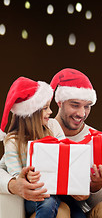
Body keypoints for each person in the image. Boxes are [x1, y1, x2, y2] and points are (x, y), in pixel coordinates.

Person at [49, 68, 102, 218]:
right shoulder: (41, 130)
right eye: (75, 105)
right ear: (59, 102)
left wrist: (96, 186)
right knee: (61, 212)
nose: (81, 113)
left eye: (87, 106)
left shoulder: (96, 140)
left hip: (82, 210)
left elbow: (96, 202)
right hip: (50, 207)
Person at [1, 77, 70, 217]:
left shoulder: (52, 126)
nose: (51, 112)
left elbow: (66, 153)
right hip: (35, 194)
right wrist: (27, 177)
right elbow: (16, 176)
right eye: (45, 108)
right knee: (47, 201)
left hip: (59, 189)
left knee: (77, 212)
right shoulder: (13, 141)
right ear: (30, 114)